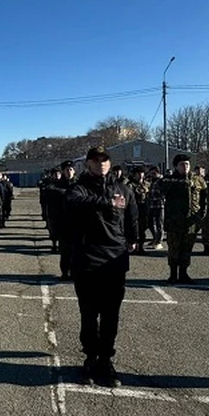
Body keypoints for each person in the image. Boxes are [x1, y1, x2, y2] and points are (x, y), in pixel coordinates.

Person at [66, 148, 138, 387]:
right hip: (87, 259)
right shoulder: (80, 187)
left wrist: (133, 237)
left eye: (105, 160)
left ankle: (106, 359)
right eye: (96, 161)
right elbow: (74, 201)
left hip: (113, 260)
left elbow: (132, 216)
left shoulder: (123, 188)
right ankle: (90, 357)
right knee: (88, 313)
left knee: (110, 314)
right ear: (87, 164)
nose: (101, 164)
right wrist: (106, 201)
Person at [161, 154, 206, 284]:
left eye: (187, 164)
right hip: (174, 221)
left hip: (191, 221)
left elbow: (204, 198)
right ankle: (173, 274)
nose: (185, 167)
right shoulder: (169, 180)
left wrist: (201, 215)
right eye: (182, 164)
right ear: (176, 166)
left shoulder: (198, 180)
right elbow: (161, 188)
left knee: (187, 248)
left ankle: (184, 273)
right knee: (174, 249)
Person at [43, 161, 77, 279]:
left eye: (71, 169)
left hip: (77, 223)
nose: (69, 172)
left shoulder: (79, 184)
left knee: (77, 251)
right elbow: (49, 191)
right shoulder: (56, 185)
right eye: (67, 170)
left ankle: (74, 271)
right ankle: (65, 271)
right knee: (65, 250)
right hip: (63, 222)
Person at [129, 166, 150, 254]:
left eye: (142, 173)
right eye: (138, 173)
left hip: (144, 208)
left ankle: (140, 247)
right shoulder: (131, 185)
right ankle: (133, 247)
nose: (140, 175)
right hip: (135, 208)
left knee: (143, 228)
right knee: (134, 229)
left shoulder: (147, 184)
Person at [146, 166, 165, 250]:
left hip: (160, 205)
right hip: (152, 205)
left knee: (159, 223)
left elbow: (163, 193)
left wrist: (157, 197)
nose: (152, 175)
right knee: (150, 223)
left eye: (154, 173)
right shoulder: (152, 181)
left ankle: (159, 241)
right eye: (151, 174)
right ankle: (155, 237)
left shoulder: (162, 181)